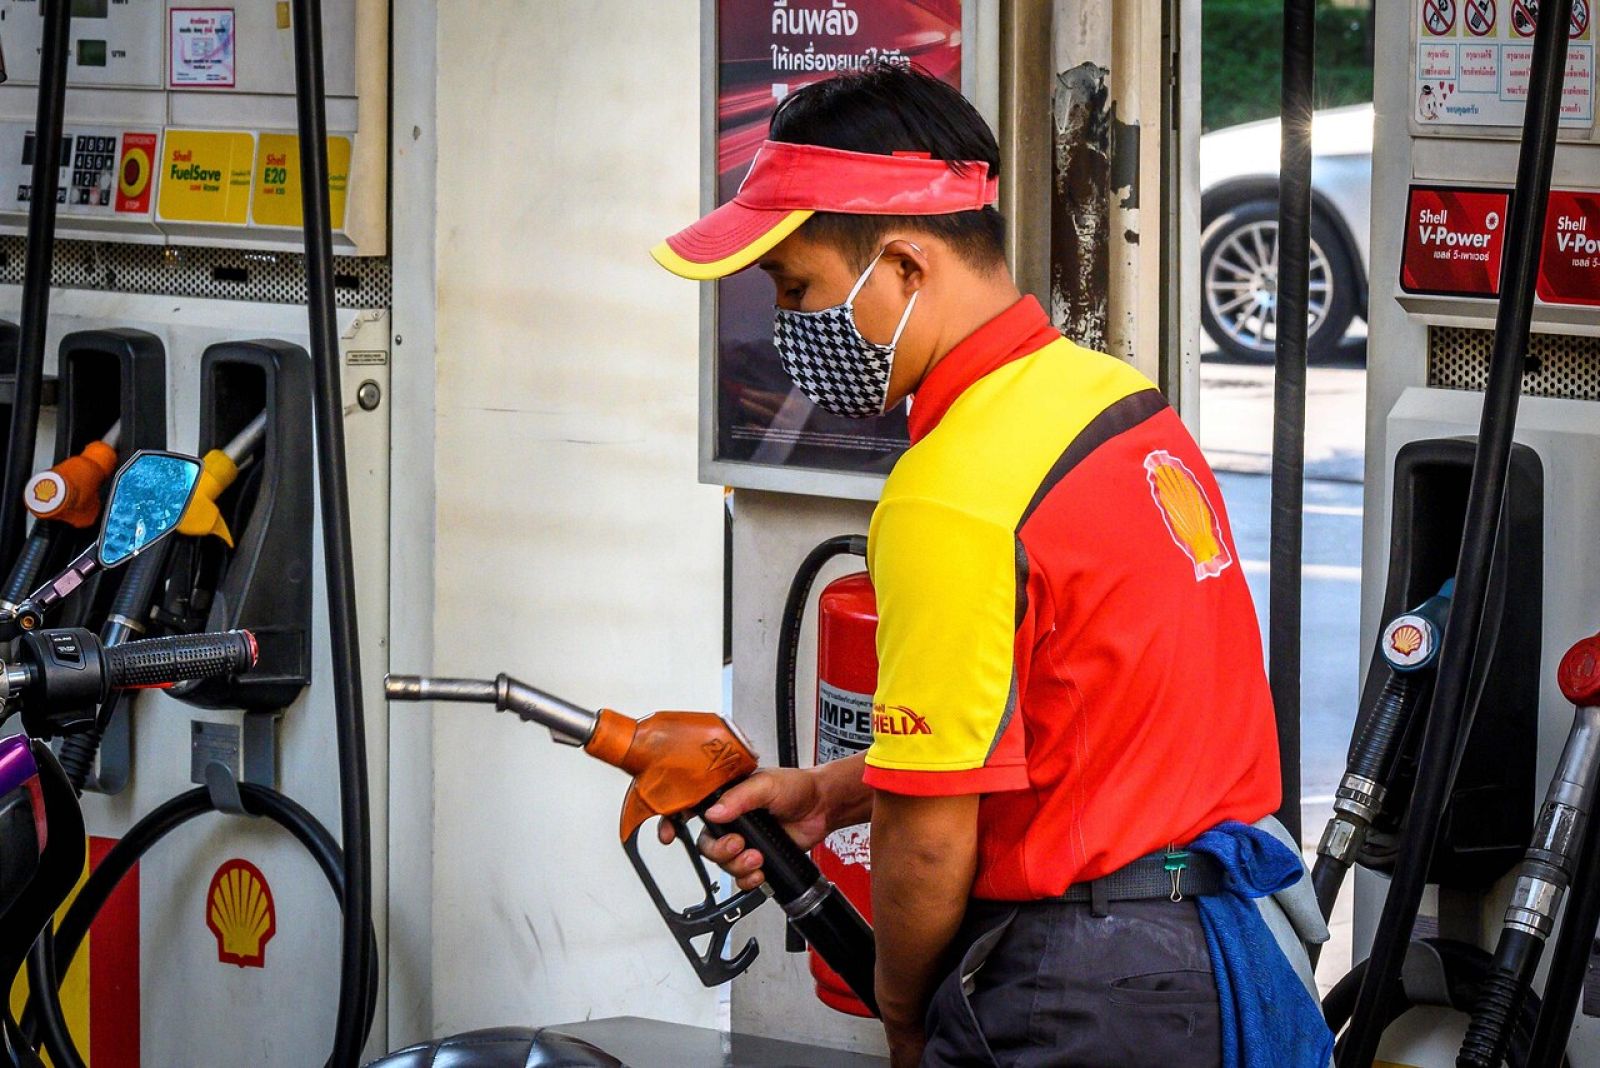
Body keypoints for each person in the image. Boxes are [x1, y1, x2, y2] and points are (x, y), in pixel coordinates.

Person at [654, 64, 1319, 1068]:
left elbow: (929, 839)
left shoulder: (951, 490)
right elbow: (1072, 723)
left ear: (904, 269)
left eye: (799, 290)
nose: (787, 328)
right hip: (1217, 956)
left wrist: (906, 1011)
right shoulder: (1114, 404)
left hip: (1079, 995)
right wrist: (834, 791)